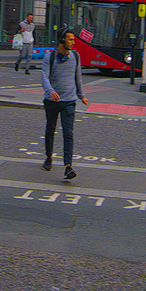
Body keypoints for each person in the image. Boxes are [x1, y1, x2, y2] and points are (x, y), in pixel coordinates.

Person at [40, 29, 89, 180]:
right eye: (70, 40)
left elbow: (77, 77)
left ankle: (68, 166)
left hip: (69, 101)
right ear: (62, 41)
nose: (73, 43)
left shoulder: (75, 56)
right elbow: (44, 77)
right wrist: (50, 91)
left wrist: (81, 96)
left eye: (73, 40)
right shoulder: (50, 57)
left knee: (68, 133)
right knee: (50, 129)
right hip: (52, 101)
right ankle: (49, 157)